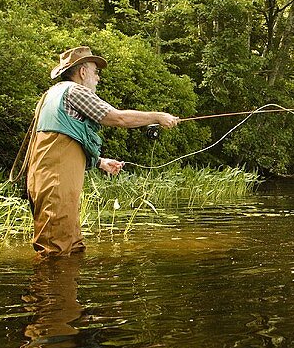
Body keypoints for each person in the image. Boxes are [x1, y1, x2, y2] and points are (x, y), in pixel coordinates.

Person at [20, 46, 179, 256]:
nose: (98, 78)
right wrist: (157, 116)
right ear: (82, 72)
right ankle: (50, 289)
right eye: (96, 72)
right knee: (54, 253)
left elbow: (60, 139)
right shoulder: (75, 91)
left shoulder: (50, 95)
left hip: (48, 181)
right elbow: (117, 118)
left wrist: (99, 162)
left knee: (73, 247)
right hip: (56, 185)